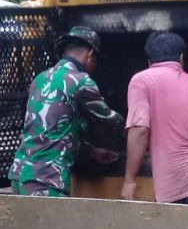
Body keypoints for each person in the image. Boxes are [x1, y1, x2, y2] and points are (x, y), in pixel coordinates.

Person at [9, 26, 124, 197]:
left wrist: (91, 151)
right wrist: (135, 127)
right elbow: (109, 121)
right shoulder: (80, 81)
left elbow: (53, 131)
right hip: (47, 179)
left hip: (20, 174)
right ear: (91, 54)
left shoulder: (40, 79)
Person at [122, 32, 188, 206]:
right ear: (181, 58)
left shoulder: (141, 80)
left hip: (181, 186)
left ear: (149, 61)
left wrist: (129, 180)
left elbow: (140, 130)